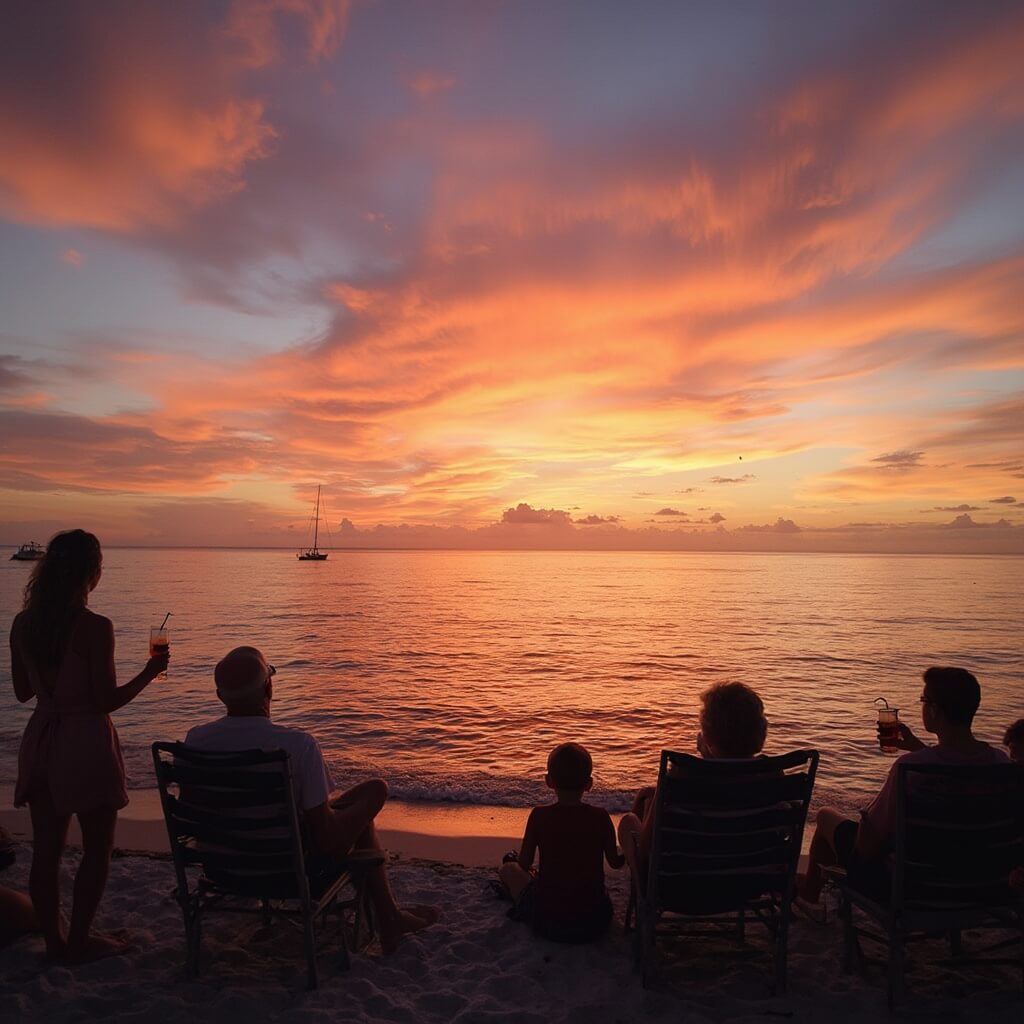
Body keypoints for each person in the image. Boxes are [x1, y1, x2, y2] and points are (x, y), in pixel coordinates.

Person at [184, 645, 438, 953]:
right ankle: (390, 919)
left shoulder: (196, 741)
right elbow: (327, 841)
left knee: (353, 809)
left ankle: (391, 918)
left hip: (223, 867)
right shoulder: (297, 745)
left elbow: (194, 812)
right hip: (288, 870)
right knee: (375, 791)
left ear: (220, 696)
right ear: (269, 686)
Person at [10, 529, 168, 963]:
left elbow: (24, 692)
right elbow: (105, 701)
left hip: (41, 737)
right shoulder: (95, 628)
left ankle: (55, 942)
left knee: (46, 849)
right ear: (91, 573)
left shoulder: (24, 624)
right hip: (84, 741)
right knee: (97, 848)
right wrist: (150, 673)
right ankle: (78, 941)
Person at [799, 666, 1009, 905]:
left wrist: (867, 818)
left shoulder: (910, 769)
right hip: (983, 885)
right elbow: (960, 775)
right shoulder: (1003, 764)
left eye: (923, 699)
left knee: (826, 816)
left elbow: (867, 847)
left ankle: (809, 895)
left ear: (934, 709)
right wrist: (922, 750)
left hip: (914, 889)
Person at [617, 681, 769, 874]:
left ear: (708, 737)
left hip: (685, 886)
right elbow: (727, 791)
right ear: (760, 730)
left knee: (629, 821)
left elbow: (648, 850)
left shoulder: (681, 775)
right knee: (649, 794)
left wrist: (706, 756)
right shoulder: (771, 774)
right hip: (750, 881)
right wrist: (710, 754)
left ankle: (638, 891)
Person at [498, 742, 624, 943]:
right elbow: (616, 863)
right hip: (594, 921)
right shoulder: (600, 817)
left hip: (549, 920)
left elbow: (524, 864)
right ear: (589, 784)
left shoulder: (539, 816)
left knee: (509, 869)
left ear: (549, 781)